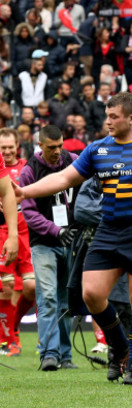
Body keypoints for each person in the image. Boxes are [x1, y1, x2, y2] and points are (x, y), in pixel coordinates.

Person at [15, 94, 132, 384]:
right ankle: (120, 347)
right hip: (107, 232)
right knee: (91, 295)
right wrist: (25, 191)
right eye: (107, 115)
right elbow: (64, 178)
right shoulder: (97, 149)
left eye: (114, 116)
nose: (107, 120)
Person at [19, 125, 77, 371]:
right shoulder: (29, 171)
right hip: (43, 243)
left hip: (71, 240)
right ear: (40, 145)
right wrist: (56, 231)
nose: (57, 151)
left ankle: (65, 356)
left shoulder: (72, 161)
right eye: (52, 147)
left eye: (60, 145)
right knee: (48, 299)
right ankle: (49, 354)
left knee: (65, 301)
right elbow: (29, 212)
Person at [0, 129, 20, 355]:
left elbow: (7, 192)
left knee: (11, 288)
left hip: (15, 233)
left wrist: (13, 235)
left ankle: (9, 336)